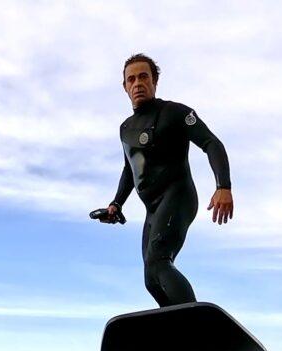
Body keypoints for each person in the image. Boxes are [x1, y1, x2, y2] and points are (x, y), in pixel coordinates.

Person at [97, 53, 233, 307]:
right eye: (131, 79)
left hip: (178, 195)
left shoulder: (175, 113)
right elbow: (130, 170)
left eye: (143, 77)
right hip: (153, 207)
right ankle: (176, 327)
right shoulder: (125, 128)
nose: (137, 83)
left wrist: (223, 186)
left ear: (155, 81)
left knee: (159, 262)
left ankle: (197, 327)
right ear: (125, 87)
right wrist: (116, 204)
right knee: (151, 278)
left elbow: (211, 143)